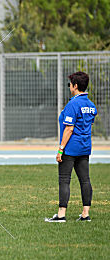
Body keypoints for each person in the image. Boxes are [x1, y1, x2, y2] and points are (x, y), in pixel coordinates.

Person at [45, 71, 97, 223]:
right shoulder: (91, 105)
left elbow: (69, 128)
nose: (69, 87)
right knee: (85, 180)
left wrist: (61, 149)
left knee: (64, 180)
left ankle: (61, 215)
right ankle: (85, 214)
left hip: (70, 148)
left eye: (70, 84)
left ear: (75, 86)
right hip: (85, 147)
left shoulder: (73, 104)